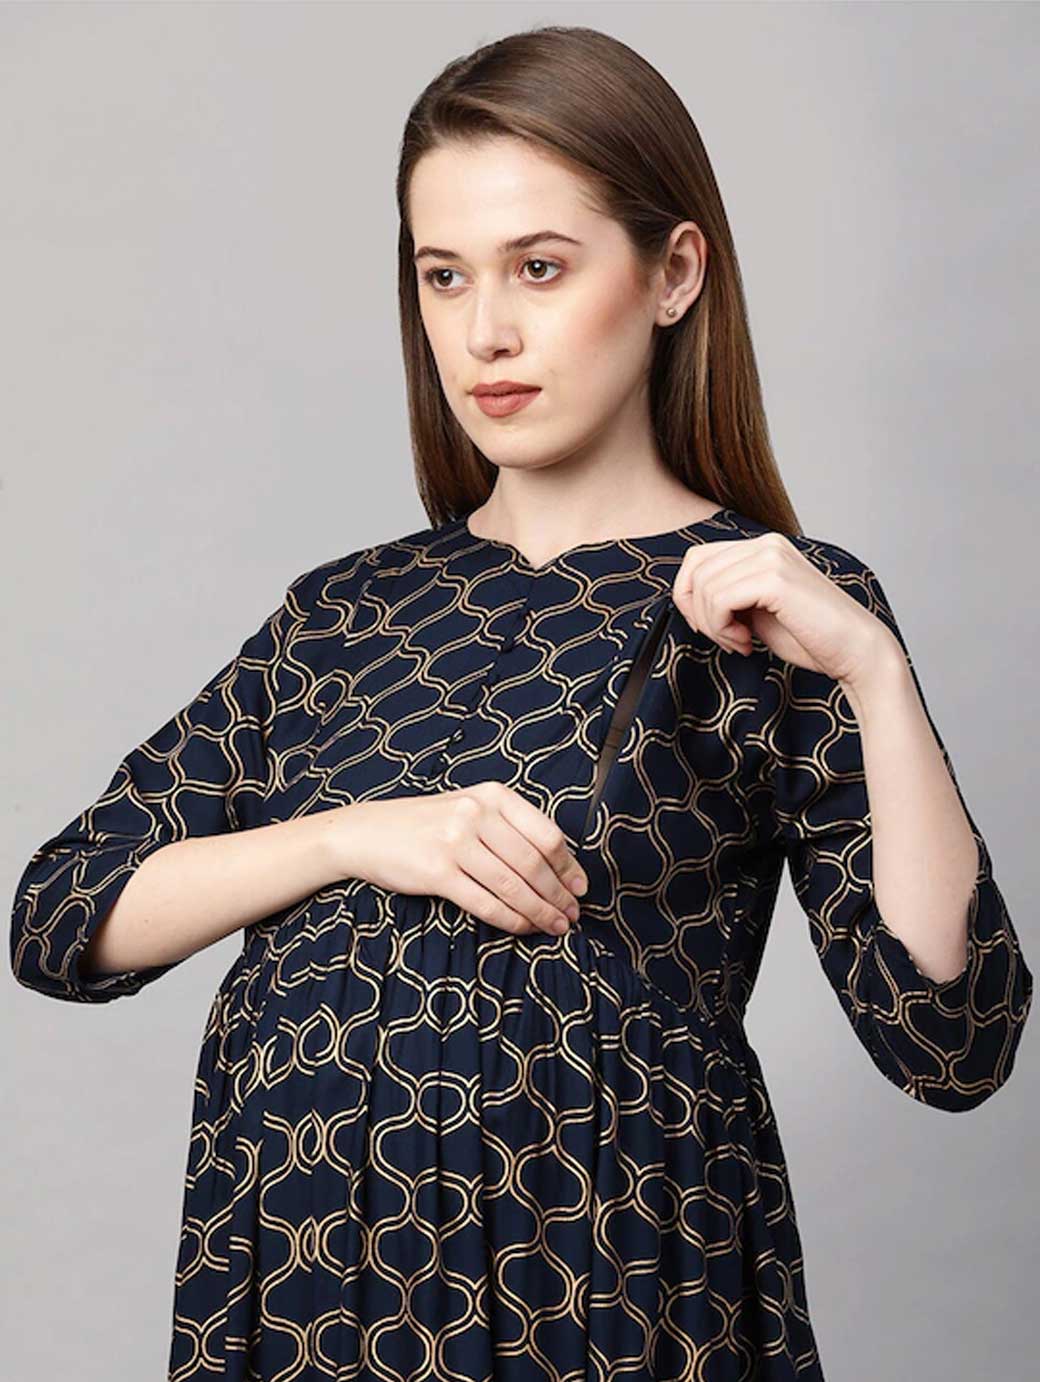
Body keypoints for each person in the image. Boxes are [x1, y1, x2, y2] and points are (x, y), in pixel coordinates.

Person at [10, 24, 1033, 1382]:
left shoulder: (778, 607)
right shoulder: (342, 613)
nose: (484, 330)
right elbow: (60, 915)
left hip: (604, 1278)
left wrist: (877, 677)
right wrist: (353, 838)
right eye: (444, 275)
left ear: (673, 274)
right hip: (309, 1288)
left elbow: (951, 1041)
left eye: (539, 268)